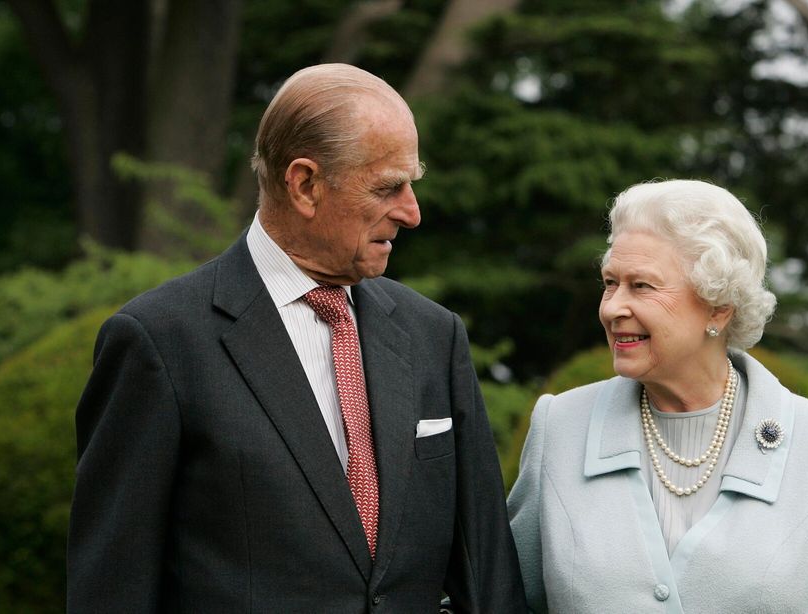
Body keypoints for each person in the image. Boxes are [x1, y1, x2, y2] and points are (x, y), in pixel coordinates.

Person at [67, 63, 526, 613]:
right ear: (305, 184)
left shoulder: (434, 335)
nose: (411, 212)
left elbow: (490, 577)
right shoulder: (159, 342)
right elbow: (112, 591)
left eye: (412, 184)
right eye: (388, 187)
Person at [507, 179, 808, 612]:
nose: (611, 308)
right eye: (610, 282)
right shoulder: (560, 427)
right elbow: (501, 599)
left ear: (718, 306)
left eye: (641, 286)